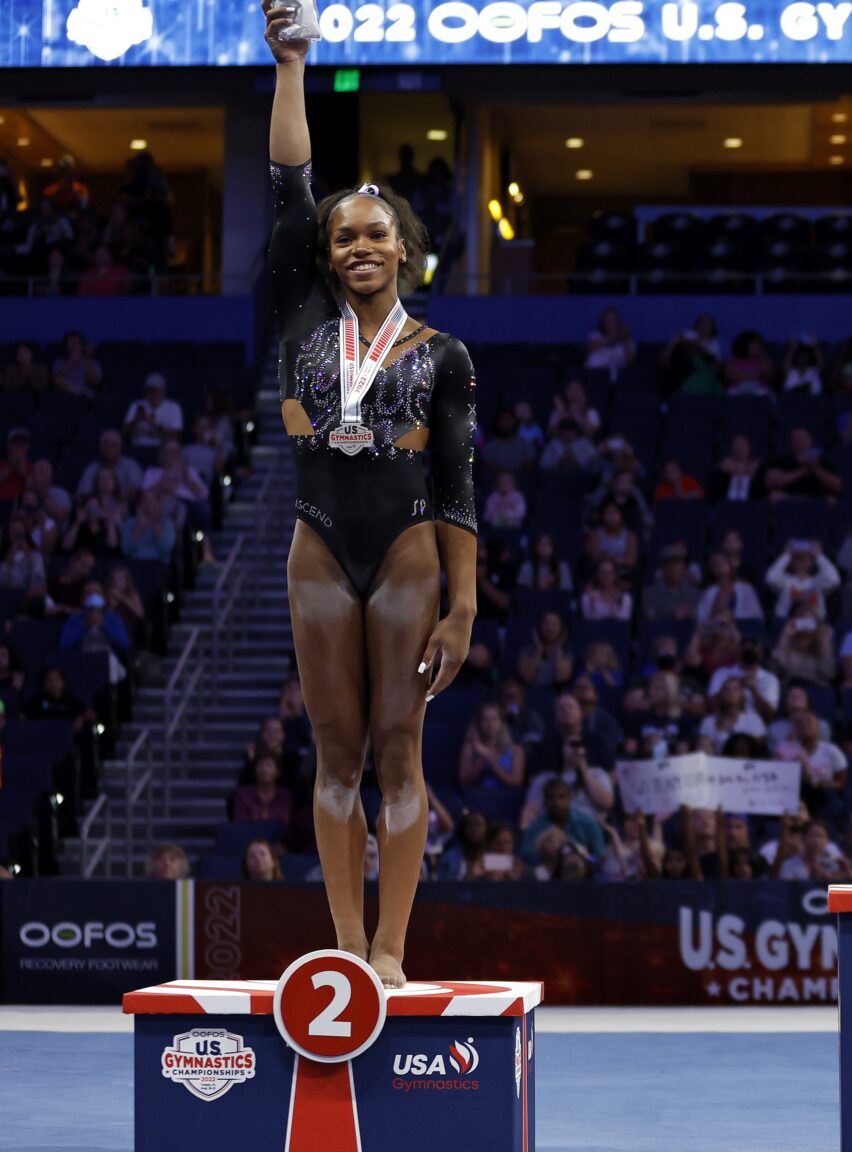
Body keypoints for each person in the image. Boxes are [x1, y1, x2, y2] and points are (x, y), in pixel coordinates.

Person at [269, 5, 478, 988]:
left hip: (405, 552)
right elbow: (287, 184)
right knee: (336, 749)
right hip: (318, 547)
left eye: (376, 234)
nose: (357, 244)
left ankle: (393, 948)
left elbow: (454, 482)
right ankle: (346, 948)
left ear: (404, 250)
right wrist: (293, 64)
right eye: (342, 234)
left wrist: (465, 603)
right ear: (326, 253)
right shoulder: (299, 320)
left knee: (400, 748)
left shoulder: (443, 356)